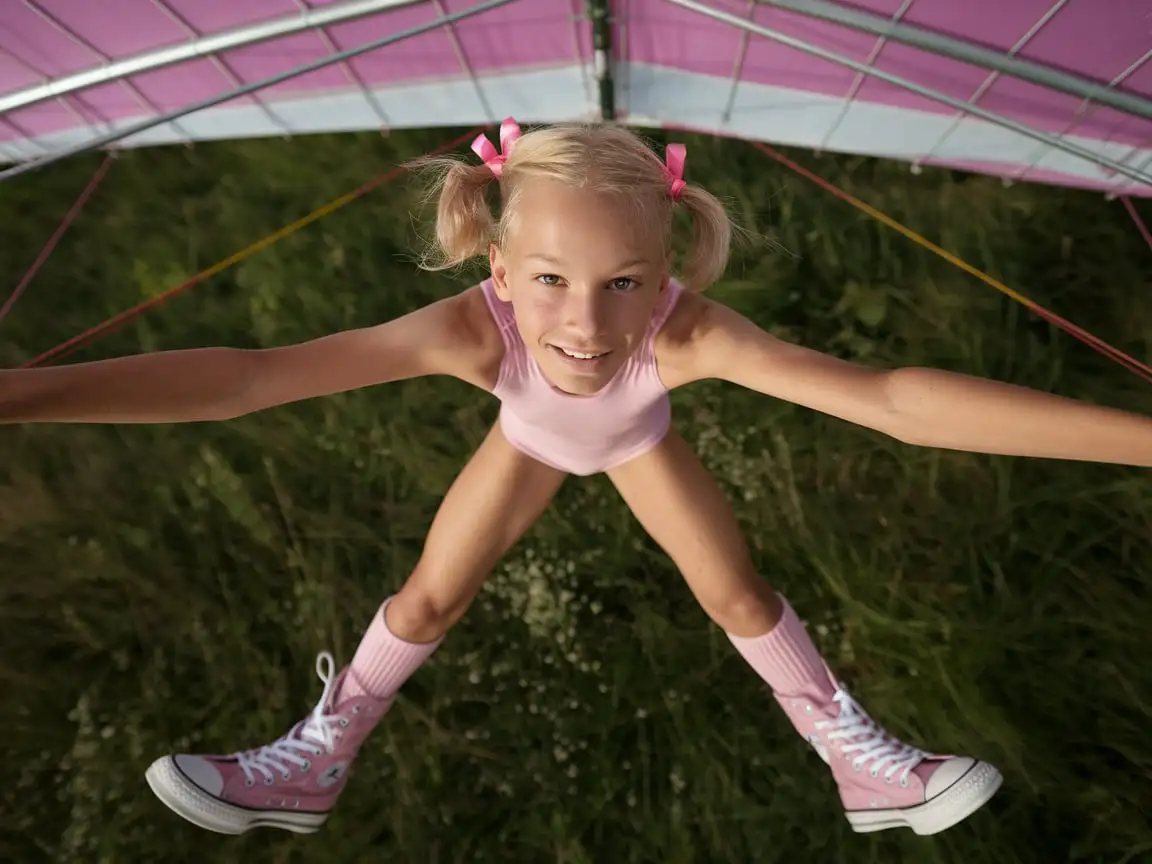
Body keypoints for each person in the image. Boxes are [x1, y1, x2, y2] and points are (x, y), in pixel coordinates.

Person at [3, 118, 1150, 840]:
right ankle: (315, 763)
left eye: (624, 283)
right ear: (497, 266)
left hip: (640, 437)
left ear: (670, 267)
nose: (587, 325)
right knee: (426, 600)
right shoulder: (472, 328)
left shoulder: (687, 335)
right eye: (549, 279)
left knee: (738, 597)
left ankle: (863, 767)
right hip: (528, 436)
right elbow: (252, 377)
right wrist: (24, 393)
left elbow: (892, 400)